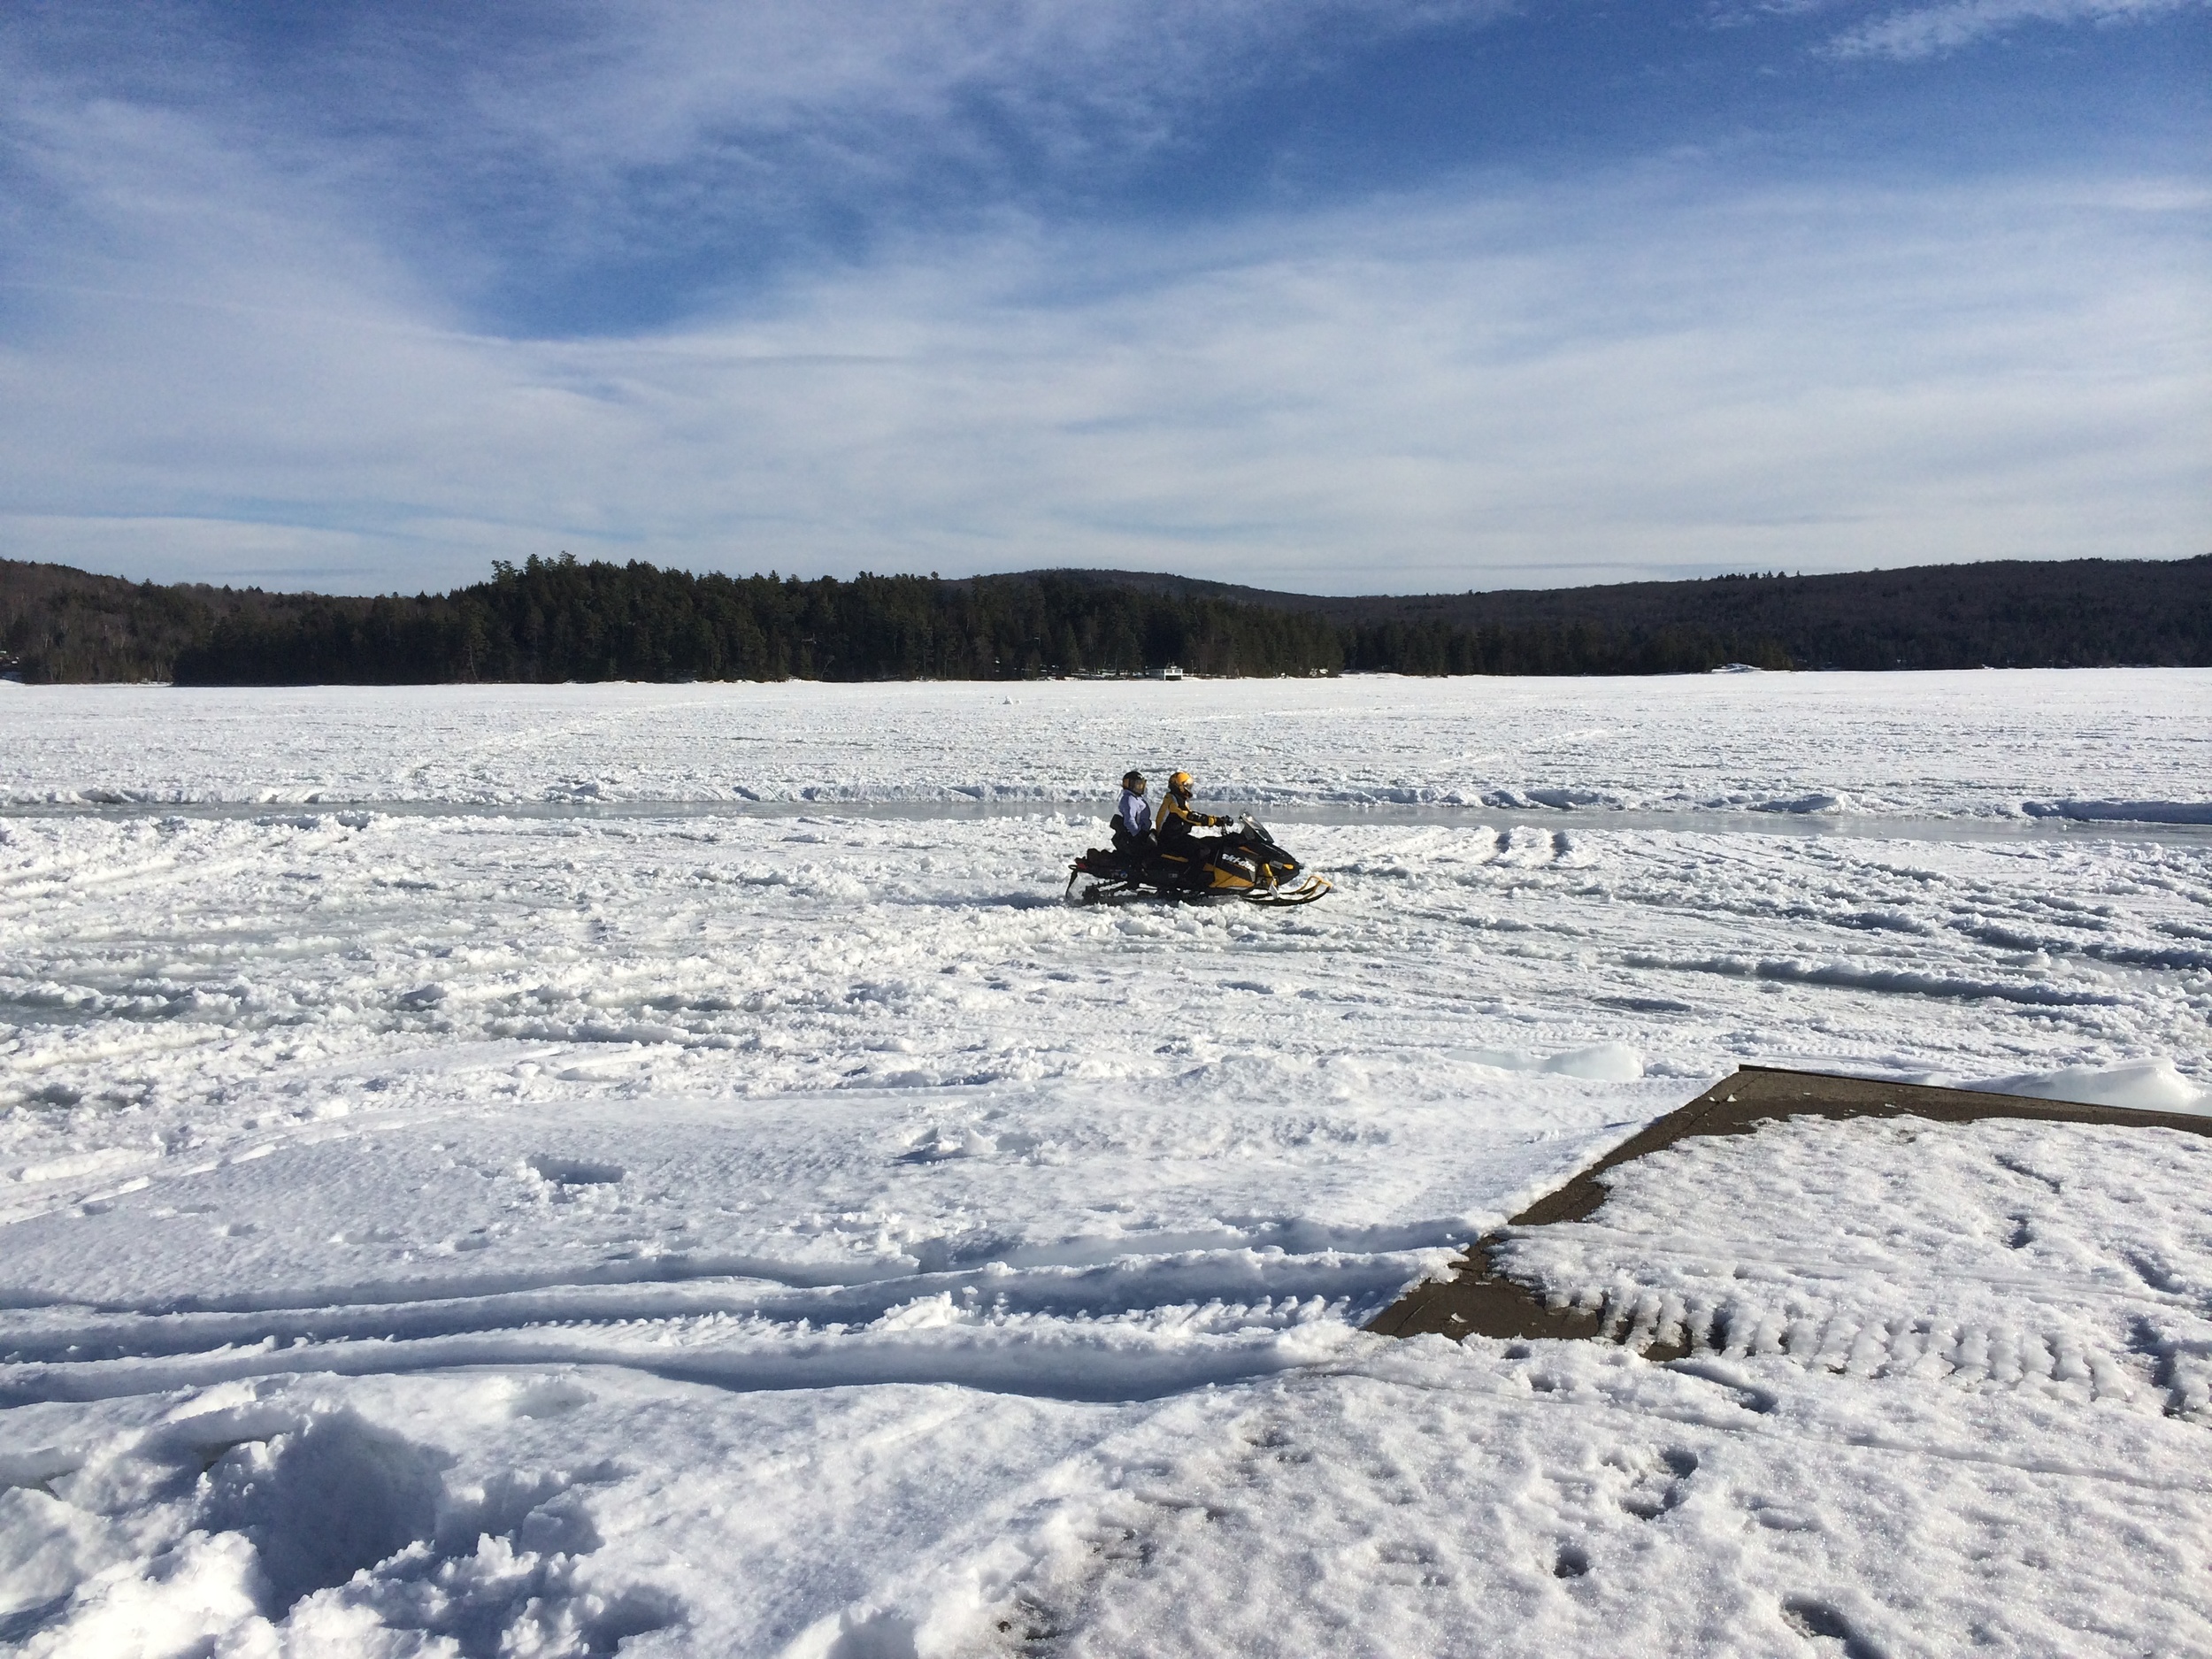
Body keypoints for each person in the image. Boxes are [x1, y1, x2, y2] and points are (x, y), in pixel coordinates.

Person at [1111, 770, 1153, 858]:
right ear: (1129, 784)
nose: (1140, 787)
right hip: (1135, 836)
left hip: (1143, 833)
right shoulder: (1129, 799)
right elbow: (1129, 820)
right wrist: (1137, 835)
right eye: (1137, 784)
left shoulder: (1137, 798)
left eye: (1141, 784)